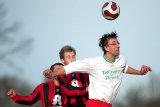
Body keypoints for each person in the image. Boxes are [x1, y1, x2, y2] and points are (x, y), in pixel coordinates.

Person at [45, 32, 151, 107]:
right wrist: (53, 74)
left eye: (118, 43)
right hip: (95, 104)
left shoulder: (121, 60)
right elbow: (71, 67)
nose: (117, 46)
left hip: (108, 104)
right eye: (113, 44)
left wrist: (139, 72)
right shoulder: (94, 63)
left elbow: (124, 68)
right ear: (106, 48)